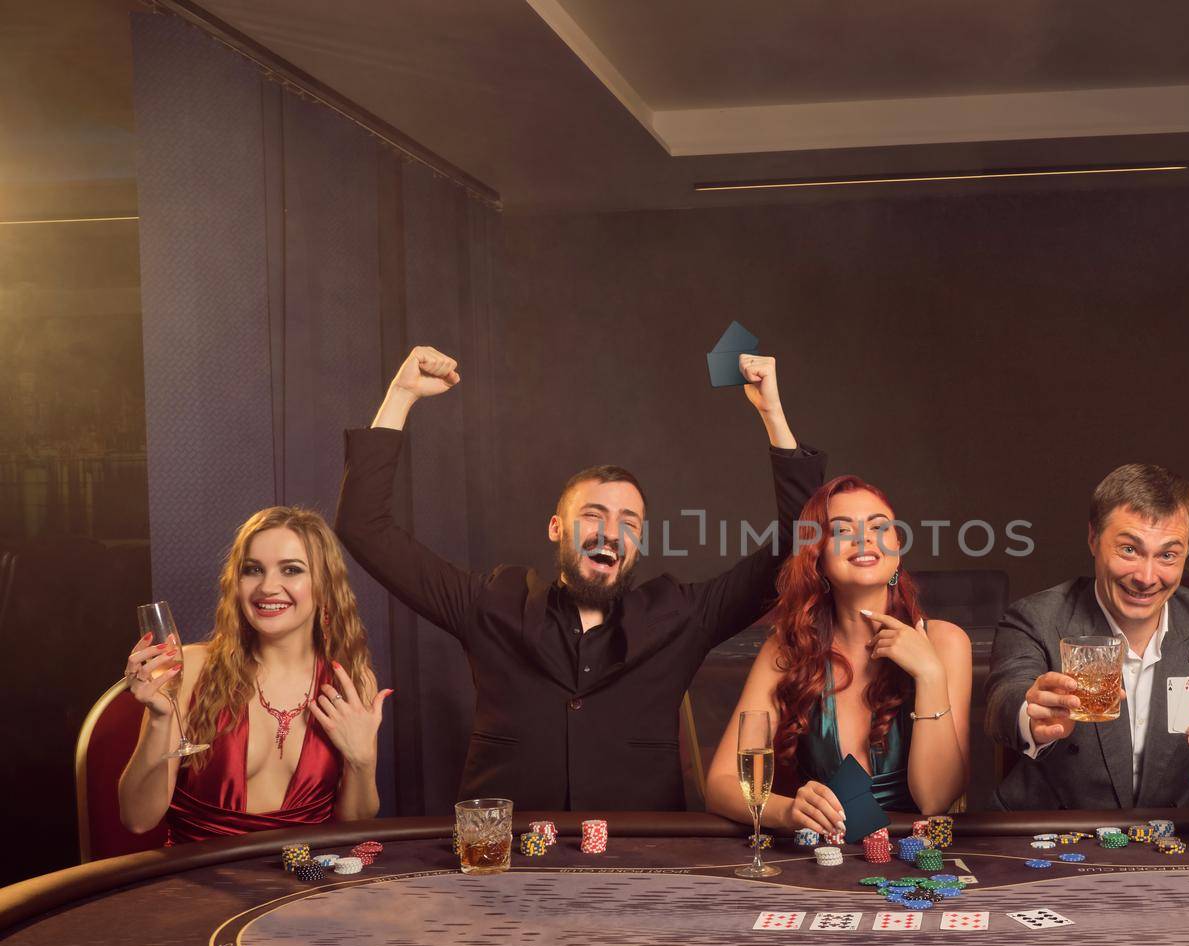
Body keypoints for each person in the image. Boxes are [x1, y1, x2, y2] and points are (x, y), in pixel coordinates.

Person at [335, 346, 826, 810]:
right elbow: (365, 529)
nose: (609, 533)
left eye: (628, 523)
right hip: (505, 870)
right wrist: (400, 396)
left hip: (639, 871)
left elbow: (800, 542)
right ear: (556, 528)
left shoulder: (680, 617)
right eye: (593, 515)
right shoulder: (491, 604)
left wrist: (772, 415)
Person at [985, 463, 1189, 822]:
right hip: (1052, 832)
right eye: (1129, 550)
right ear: (1094, 539)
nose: (1146, 577)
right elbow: (1004, 700)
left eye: (1167, 555)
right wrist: (1032, 716)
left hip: (1180, 841)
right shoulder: (1036, 616)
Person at [705, 476, 972, 832]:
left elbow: (934, 799)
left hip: (916, 863)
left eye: (879, 527)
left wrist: (930, 674)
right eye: (842, 530)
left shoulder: (946, 642)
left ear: (897, 547)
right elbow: (720, 784)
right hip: (820, 864)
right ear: (816, 557)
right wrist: (786, 812)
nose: (864, 538)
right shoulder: (787, 649)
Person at [119, 507, 389, 842]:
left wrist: (362, 761)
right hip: (199, 885)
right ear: (237, 582)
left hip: (302, 887)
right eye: (253, 570)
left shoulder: (351, 682)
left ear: (324, 585)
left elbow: (355, 825)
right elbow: (138, 820)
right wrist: (160, 719)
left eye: (291, 570)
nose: (268, 587)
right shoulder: (191, 671)